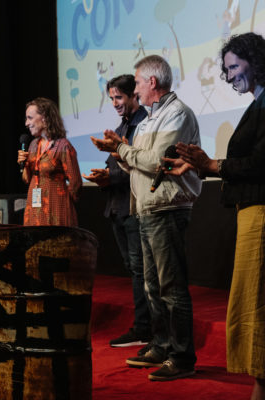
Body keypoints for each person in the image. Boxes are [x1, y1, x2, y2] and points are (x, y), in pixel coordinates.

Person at [163, 32, 265, 399]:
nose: (230, 75)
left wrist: (213, 164)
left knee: (256, 305)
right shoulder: (258, 104)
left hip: (261, 215)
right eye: (227, 69)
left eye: (235, 66)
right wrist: (199, 167)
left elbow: (259, 163)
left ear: (256, 61)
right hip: (251, 211)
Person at [91, 55, 202, 381]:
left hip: (167, 208)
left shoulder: (176, 113)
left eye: (138, 82)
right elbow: (138, 164)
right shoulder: (152, 117)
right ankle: (162, 344)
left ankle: (182, 357)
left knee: (171, 287)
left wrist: (123, 150)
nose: (136, 89)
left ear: (152, 82)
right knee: (153, 286)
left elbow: (156, 162)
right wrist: (118, 151)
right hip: (147, 209)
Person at [83, 74, 151, 347]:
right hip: (118, 206)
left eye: (119, 97)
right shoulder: (122, 126)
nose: (114, 103)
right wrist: (104, 174)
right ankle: (144, 327)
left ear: (134, 95)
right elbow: (116, 163)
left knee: (141, 271)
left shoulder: (144, 125)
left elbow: (141, 166)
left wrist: (110, 176)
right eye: (111, 98)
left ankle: (145, 328)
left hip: (135, 207)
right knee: (135, 269)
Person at [17, 97, 82, 226]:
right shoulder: (33, 145)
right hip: (35, 208)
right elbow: (26, 179)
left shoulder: (63, 146)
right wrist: (23, 164)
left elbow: (76, 183)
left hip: (56, 207)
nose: (26, 123)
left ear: (45, 118)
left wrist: (63, 202)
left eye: (30, 118)